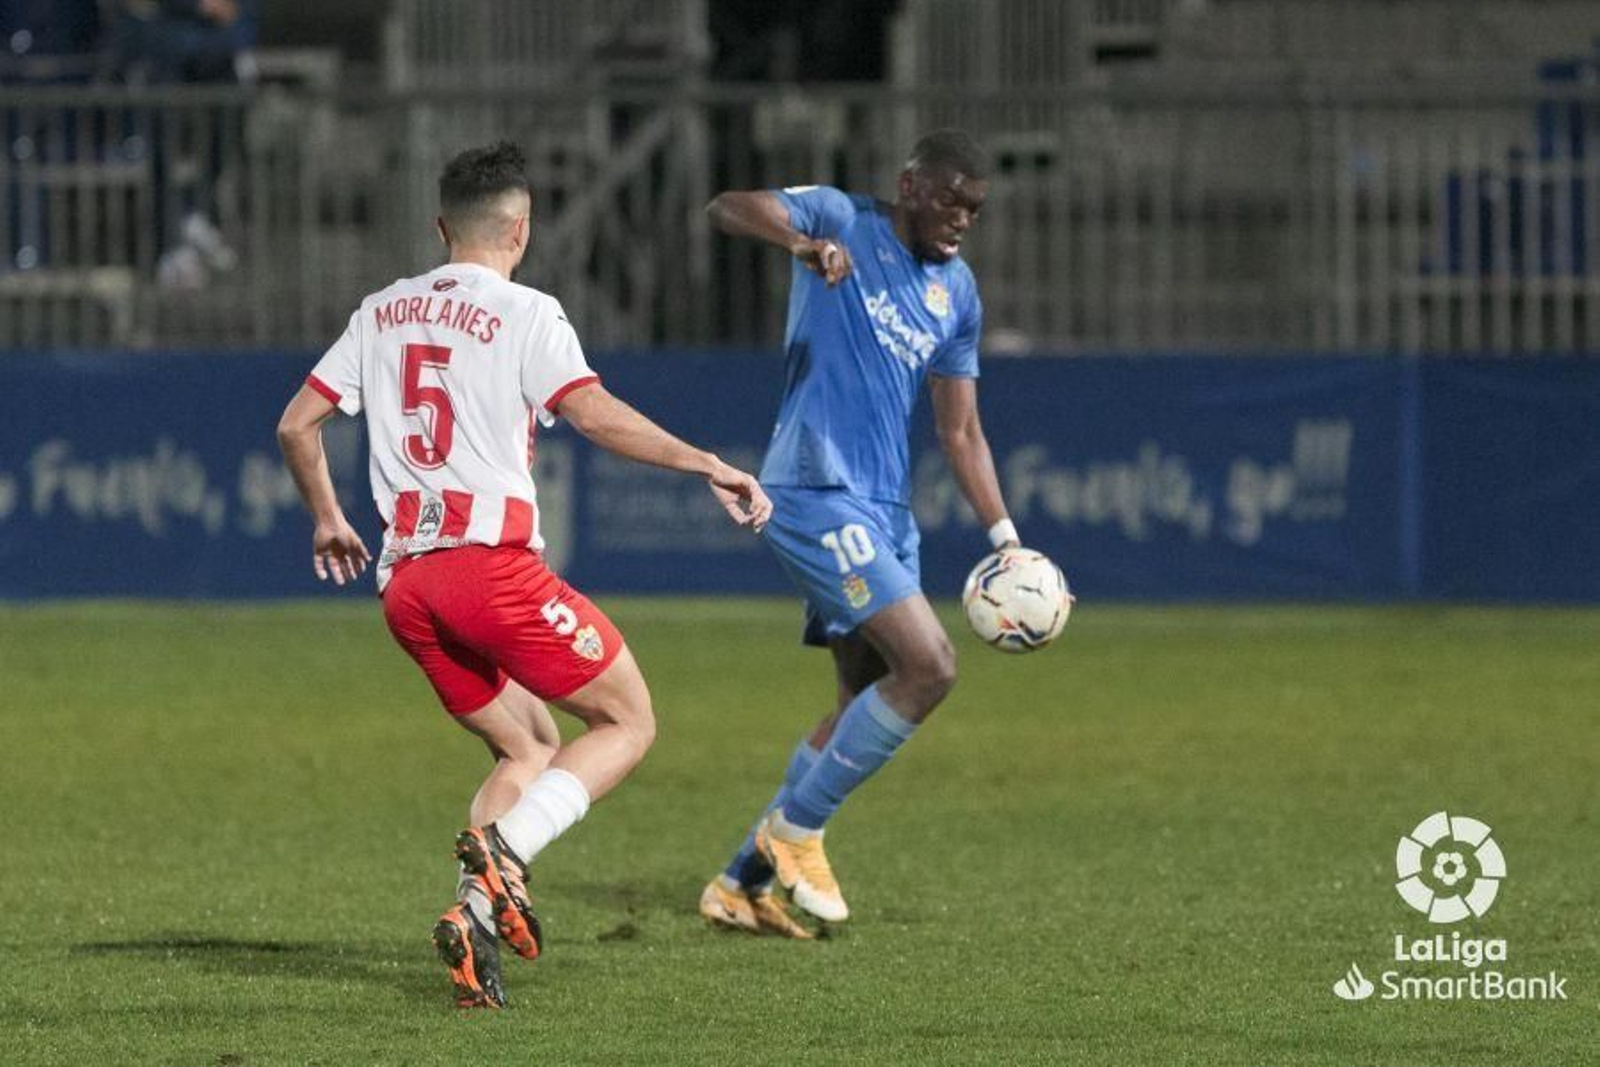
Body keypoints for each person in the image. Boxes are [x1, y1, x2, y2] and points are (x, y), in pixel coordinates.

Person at [277, 141, 771, 1008]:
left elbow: (296, 424)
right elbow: (593, 414)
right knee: (628, 719)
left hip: (408, 589)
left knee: (529, 746)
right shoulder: (526, 311)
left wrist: (327, 517)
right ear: (522, 229)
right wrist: (705, 462)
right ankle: (506, 855)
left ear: (442, 228)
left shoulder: (381, 310)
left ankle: (472, 923)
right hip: (488, 569)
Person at [699, 129, 1026, 935]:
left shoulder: (957, 292)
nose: (962, 219)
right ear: (911, 186)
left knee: (859, 702)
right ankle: (794, 829)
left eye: (974, 209)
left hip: (885, 510)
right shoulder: (840, 217)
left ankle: (739, 884)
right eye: (950, 201)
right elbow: (727, 207)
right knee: (931, 665)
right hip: (815, 486)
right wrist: (800, 244)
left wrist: (1006, 539)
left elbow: (961, 432)